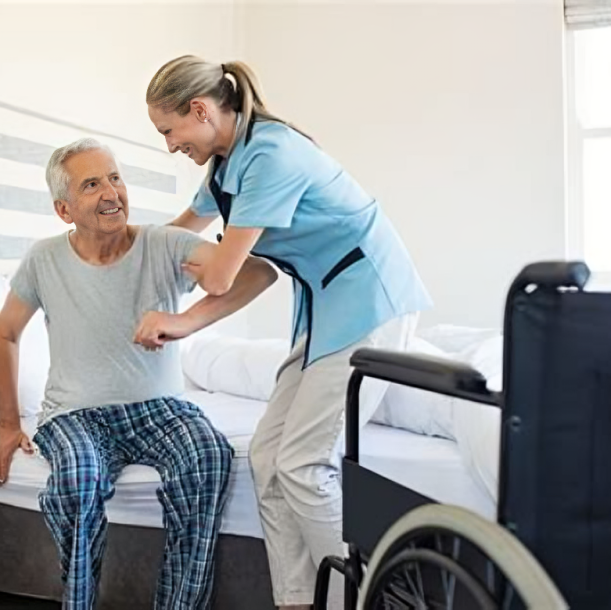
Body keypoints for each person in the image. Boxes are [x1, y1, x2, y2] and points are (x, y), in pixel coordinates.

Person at [146, 56, 432, 609]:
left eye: (169, 130)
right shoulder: (226, 166)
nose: (169, 145)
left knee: (303, 463)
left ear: (200, 110)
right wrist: (121, 252)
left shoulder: (271, 154)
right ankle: (299, 600)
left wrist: (177, 320)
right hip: (327, 310)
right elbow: (181, 233)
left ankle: (369, 600)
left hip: (370, 301)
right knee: (266, 458)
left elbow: (228, 273)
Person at [0, 137, 278, 610]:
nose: (111, 193)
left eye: (115, 178)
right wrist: (6, 423)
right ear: (64, 209)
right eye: (92, 184)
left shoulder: (164, 244)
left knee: (207, 456)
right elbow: (4, 335)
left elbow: (257, 274)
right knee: (78, 478)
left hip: (159, 410)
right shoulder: (44, 259)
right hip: (76, 415)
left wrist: (184, 322)